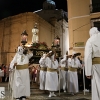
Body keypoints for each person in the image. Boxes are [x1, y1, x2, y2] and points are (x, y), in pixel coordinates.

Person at [84, 27, 100, 100]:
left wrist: (88, 72)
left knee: (96, 86)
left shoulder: (90, 40)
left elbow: (87, 57)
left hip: (96, 66)